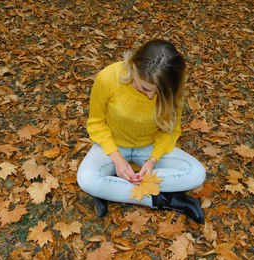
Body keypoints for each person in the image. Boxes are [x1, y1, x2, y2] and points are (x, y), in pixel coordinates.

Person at [77, 39, 206, 224]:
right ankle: (168, 200)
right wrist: (116, 157)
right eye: (145, 88)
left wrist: (153, 160)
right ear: (133, 67)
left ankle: (111, 188)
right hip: (112, 146)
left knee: (196, 173)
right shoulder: (108, 78)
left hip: (148, 148)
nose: (151, 96)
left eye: (158, 92)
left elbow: (170, 131)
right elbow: (96, 123)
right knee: (86, 180)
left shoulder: (172, 88)